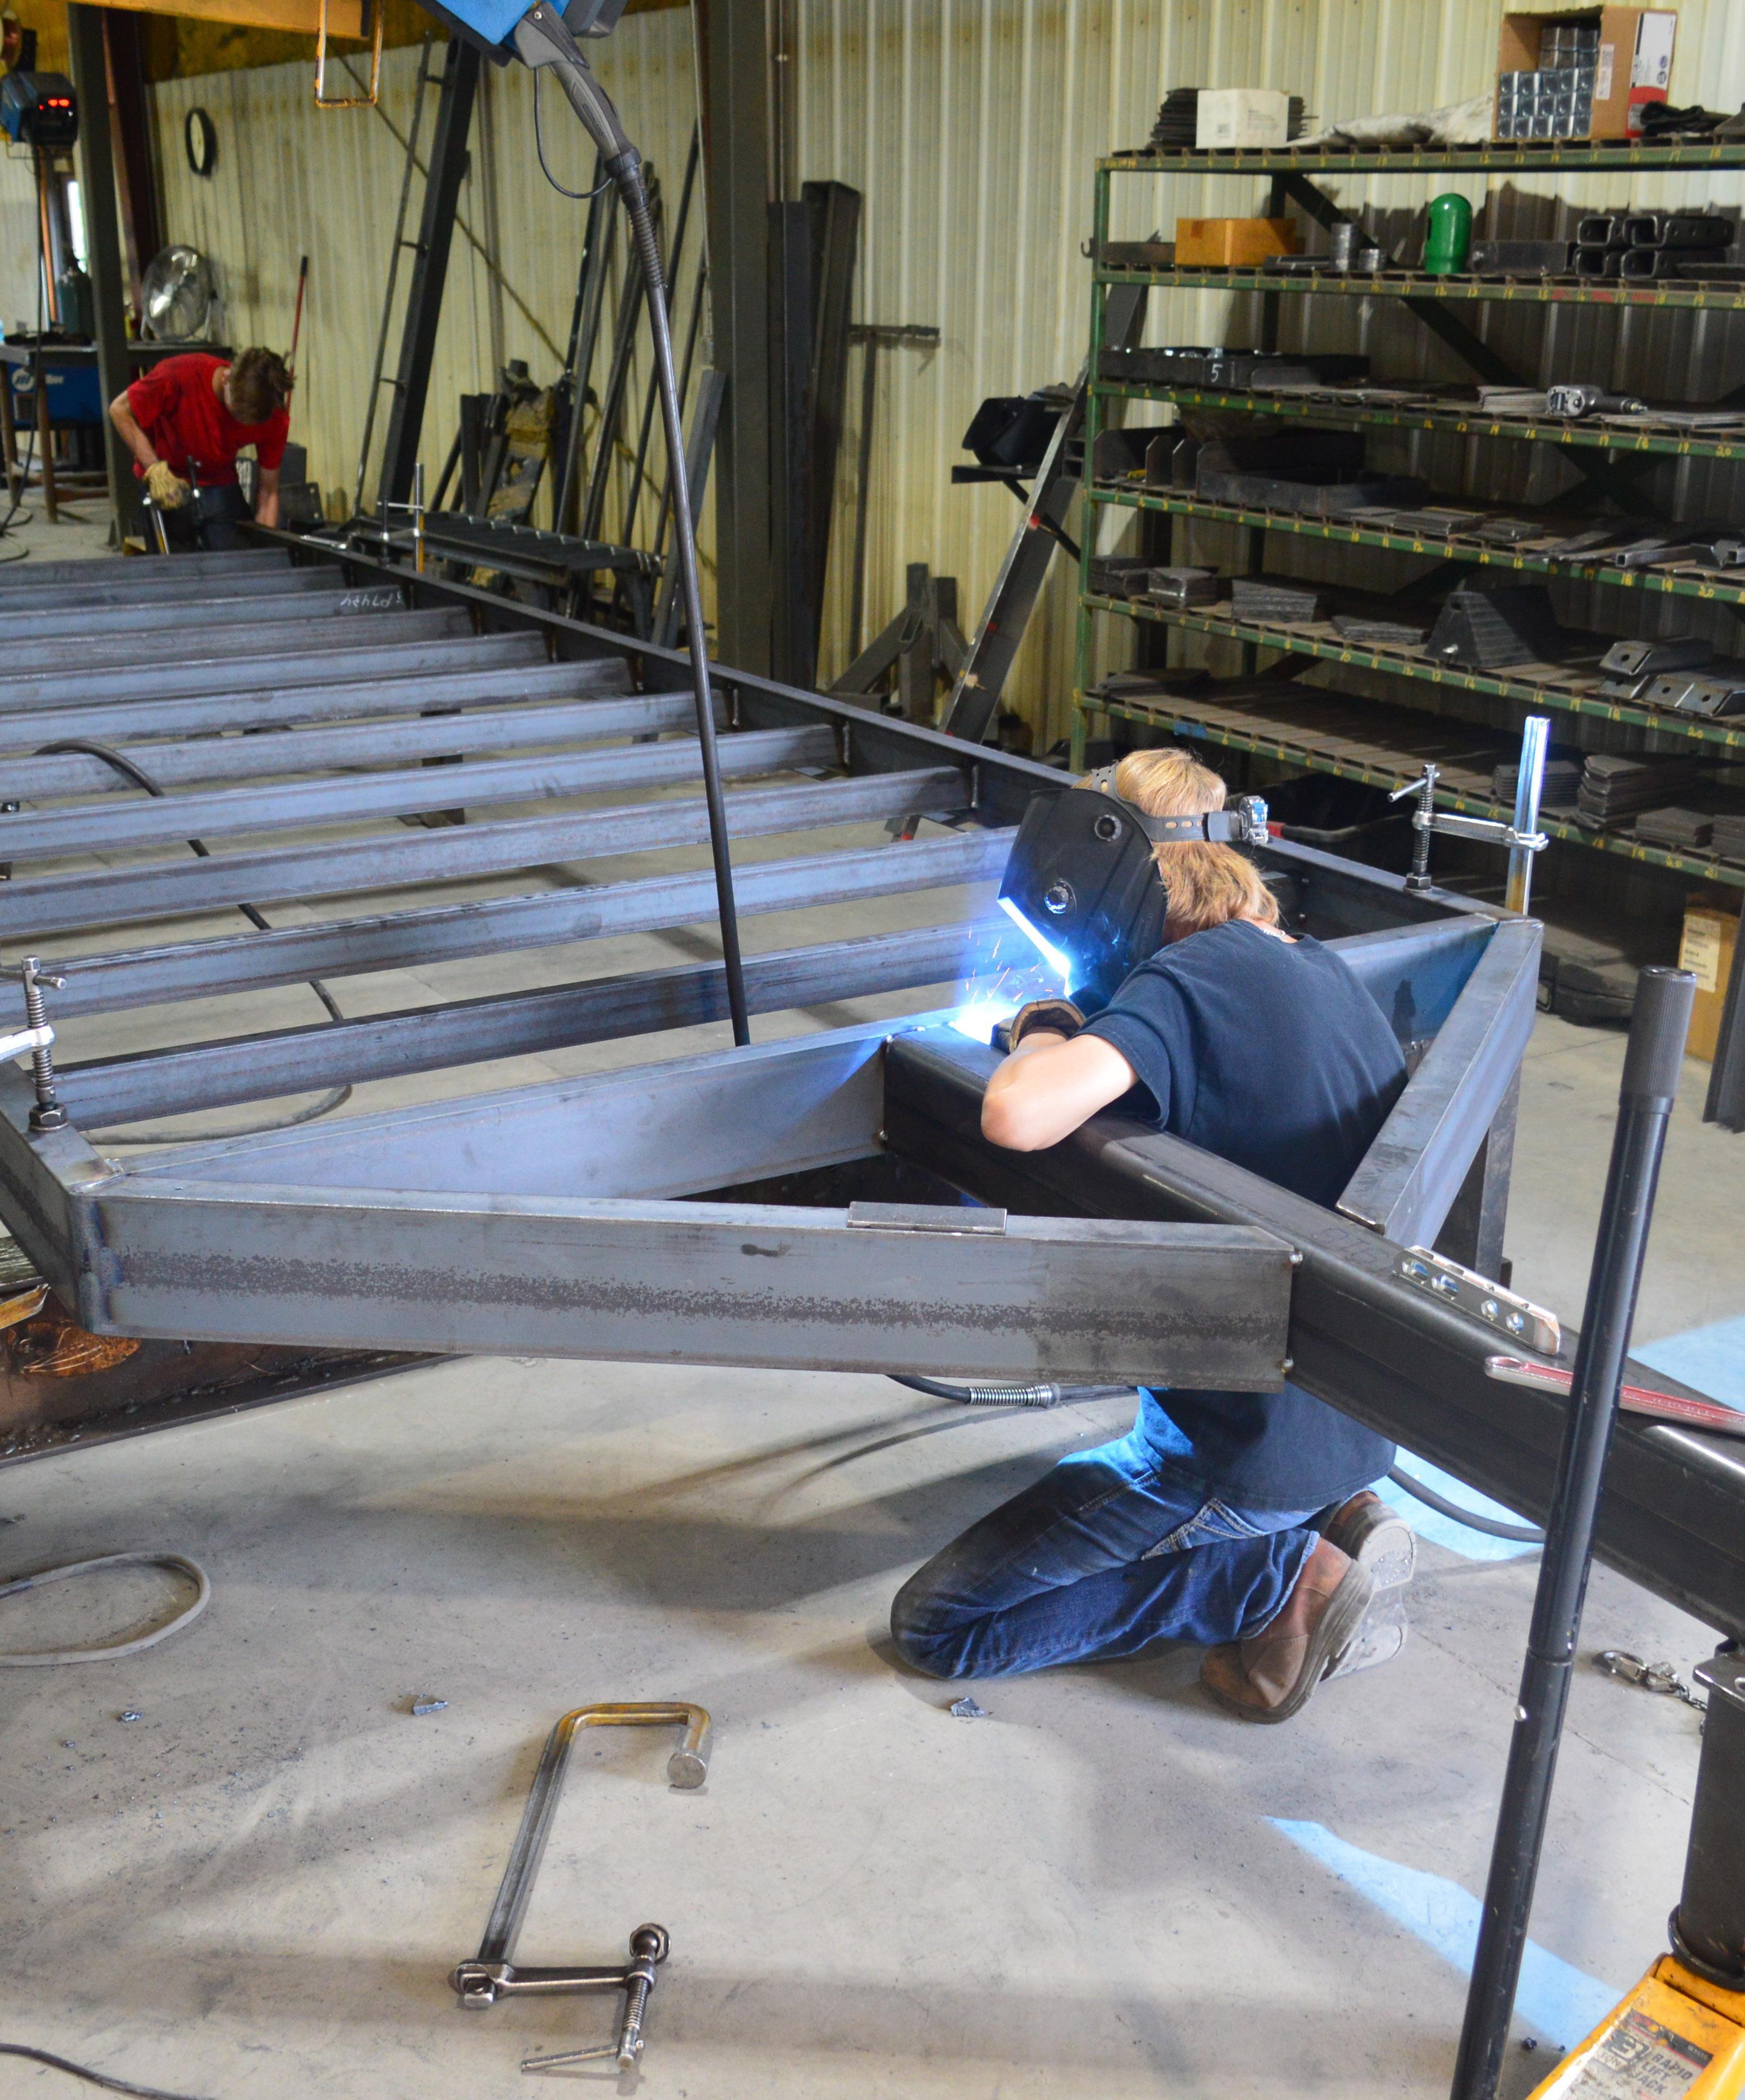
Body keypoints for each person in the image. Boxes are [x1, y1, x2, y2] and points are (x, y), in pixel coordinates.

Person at [889, 747, 1416, 1723]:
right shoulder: (1319, 968)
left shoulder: (1192, 978)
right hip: (1349, 1413)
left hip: (1234, 1450)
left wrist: (1045, 1023)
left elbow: (1017, 1112)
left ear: (1111, 878)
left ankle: (1274, 1580)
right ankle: (1331, 1511)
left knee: (941, 1624)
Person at [109, 347, 291, 551]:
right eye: (237, 413)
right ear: (227, 377)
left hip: (220, 480)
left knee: (240, 561)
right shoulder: (179, 374)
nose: (241, 423)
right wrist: (154, 468)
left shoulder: (273, 416)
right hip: (169, 479)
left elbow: (269, 492)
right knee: (174, 566)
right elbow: (119, 409)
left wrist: (263, 552)